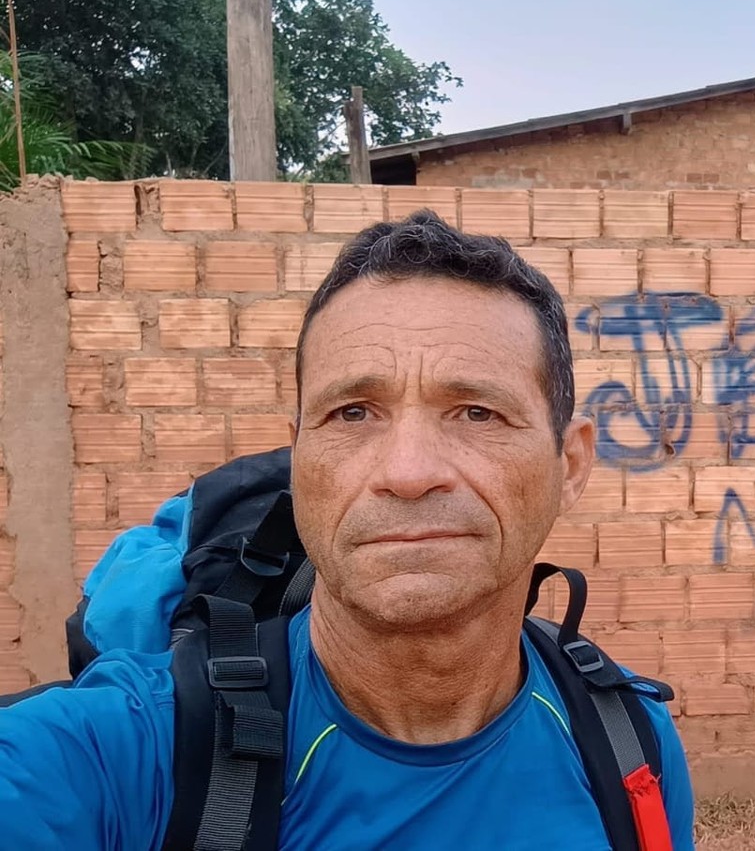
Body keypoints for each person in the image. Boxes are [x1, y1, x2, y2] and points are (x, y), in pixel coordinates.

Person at [0, 211, 695, 849]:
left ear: (569, 464)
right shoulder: (129, 747)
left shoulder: (631, 741)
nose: (409, 471)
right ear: (298, 457)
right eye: (354, 413)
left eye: (477, 412)